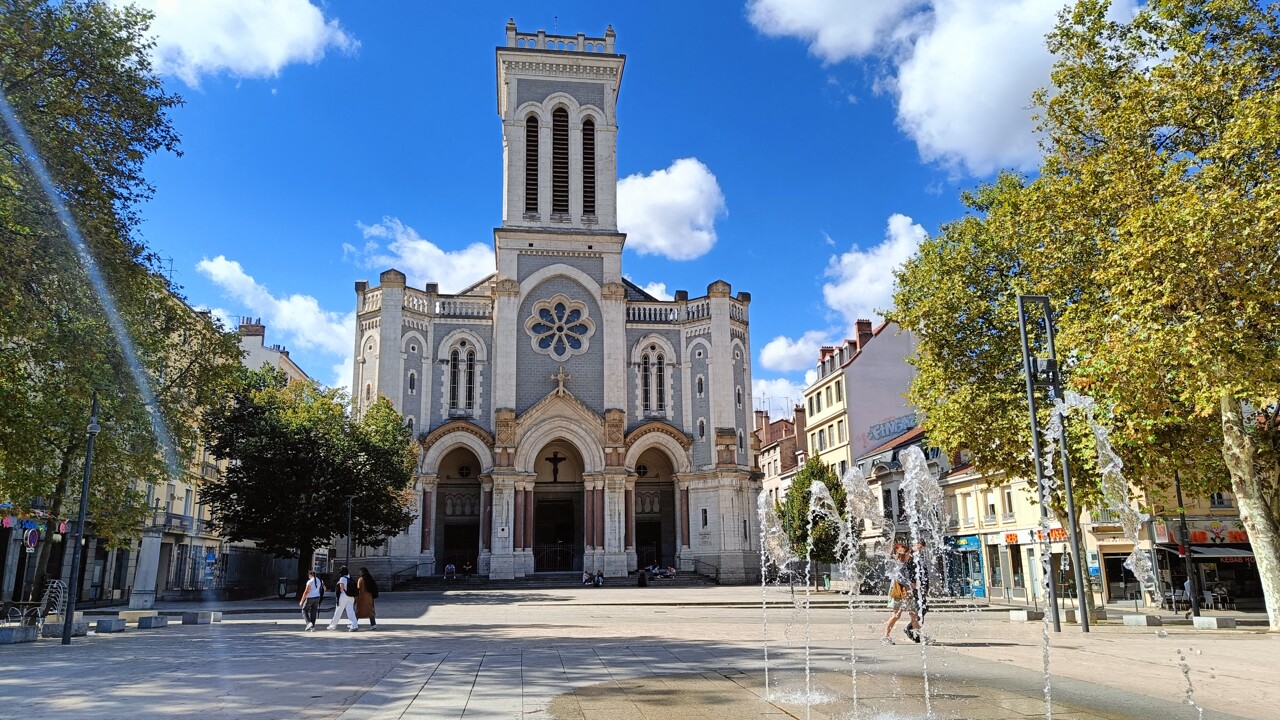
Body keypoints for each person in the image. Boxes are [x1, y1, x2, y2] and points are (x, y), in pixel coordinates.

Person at [882, 545, 922, 646]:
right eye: (908, 553)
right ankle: (886, 637)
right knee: (896, 615)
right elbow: (898, 578)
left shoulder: (904, 564)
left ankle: (920, 636)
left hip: (906, 592)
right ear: (903, 555)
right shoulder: (899, 565)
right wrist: (910, 584)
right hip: (898, 592)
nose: (910, 555)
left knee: (913, 614)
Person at [906, 541, 931, 643]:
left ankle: (912, 629)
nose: (920, 550)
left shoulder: (920, 557)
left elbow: (925, 573)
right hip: (914, 587)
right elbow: (908, 571)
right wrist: (911, 584)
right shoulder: (909, 557)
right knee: (919, 610)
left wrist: (926, 587)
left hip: (921, 587)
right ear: (914, 546)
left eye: (922, 548)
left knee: (923, 609)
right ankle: (914, 631)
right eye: (919, 548)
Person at [326, 566, 359, 632]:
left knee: (338, 611)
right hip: (351, 597)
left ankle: (332, 626)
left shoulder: (342, 579)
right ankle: (354, 625)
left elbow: (341, 589)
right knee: (350, 611)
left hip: (343, 596)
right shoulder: (350, 578)